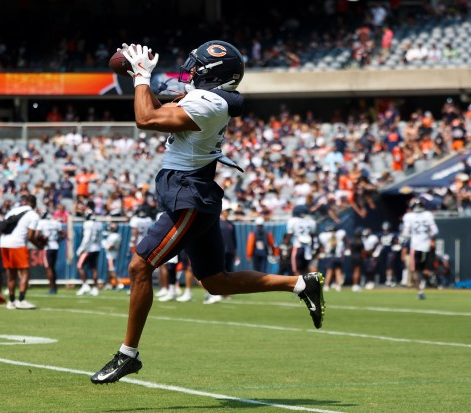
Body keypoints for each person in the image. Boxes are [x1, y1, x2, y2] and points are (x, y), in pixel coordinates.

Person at [91, 41, 325, 384]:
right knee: (216, 282)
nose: (192, 71)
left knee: (140, 266)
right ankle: (300, 283)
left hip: (189, 194)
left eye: (198, 66)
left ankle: (128, 355)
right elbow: (158, 110)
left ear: (213, 72)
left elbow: (147, 118)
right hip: (192, 192)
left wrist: (141, 77)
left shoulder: (210, 102)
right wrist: (139, 78)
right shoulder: (210, 99)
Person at [0, 194, 43, 309]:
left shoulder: (13, 211)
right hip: (17, 244)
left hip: (3, 243)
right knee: (24, 272)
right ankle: (21, 300)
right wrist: (39, 245)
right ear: (34, 203)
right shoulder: (33, 215)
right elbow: (30, 236)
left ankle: (11, 301)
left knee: (11, 274)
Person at [402, 197, 439, 299]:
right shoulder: (428, 215)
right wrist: (429, 237)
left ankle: (420, 291)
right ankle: (429, 277)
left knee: (415, 270)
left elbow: (405, 233)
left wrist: (413, 234)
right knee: (426, 269)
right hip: (427, 245)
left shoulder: (408, 216)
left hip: (416, 246)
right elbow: (435, 231)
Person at [204, 202, 238, 304]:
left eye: (229, 211)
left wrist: (236, 253)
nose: (228, 213)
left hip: (230, 251)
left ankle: (227, 292)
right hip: (220, 250)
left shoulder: (231, 224)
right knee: (219, 272)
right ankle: (218, 292)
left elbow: (234, 239)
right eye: (227, 210)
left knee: (229, 272)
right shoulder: (217, 221)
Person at [36, 209, 65, 295]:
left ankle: (52, 288)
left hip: (47, 246)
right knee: (52, 268)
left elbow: (37, 235)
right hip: (55, 246)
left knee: (49, 268)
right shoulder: (55, 222)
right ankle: (54, 287)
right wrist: (57, 240)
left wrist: (42, 240)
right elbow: (64, 234)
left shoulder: (41, 223)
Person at [75, 212, 103, 296]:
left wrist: (81, 249)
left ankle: (85, 285)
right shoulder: (98, 224)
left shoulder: (88, 224)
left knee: (79, 266)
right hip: (96, 248)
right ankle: (95, 288)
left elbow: (87, 237)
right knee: (94, 268)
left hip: (88, 249)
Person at [287, 205, 317, 276]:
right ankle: (307, 285)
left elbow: (289, 234)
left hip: (298, 246)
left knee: (296, 270)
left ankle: (299, 285)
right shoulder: (311, 221)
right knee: (306, 269)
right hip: (308, 247)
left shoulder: (293, 221)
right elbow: (313, 235)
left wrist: (286, 243)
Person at [319, 225, 346, 292]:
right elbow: (342, 250)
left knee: (329, 271)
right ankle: (338, 286)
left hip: (330, 257)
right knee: (338, 271)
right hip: (338, 257)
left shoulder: (326, 239)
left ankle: (326, 285)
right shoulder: (340, 240)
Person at [102, 221, 124, 290]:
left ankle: (118, 283)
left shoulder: (114, 236)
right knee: (109, 269)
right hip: (113, 253)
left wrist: (104, 244)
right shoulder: (116, 235)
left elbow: (110, 247)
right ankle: (110, 283)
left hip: (111, 253)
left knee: (111, 268)